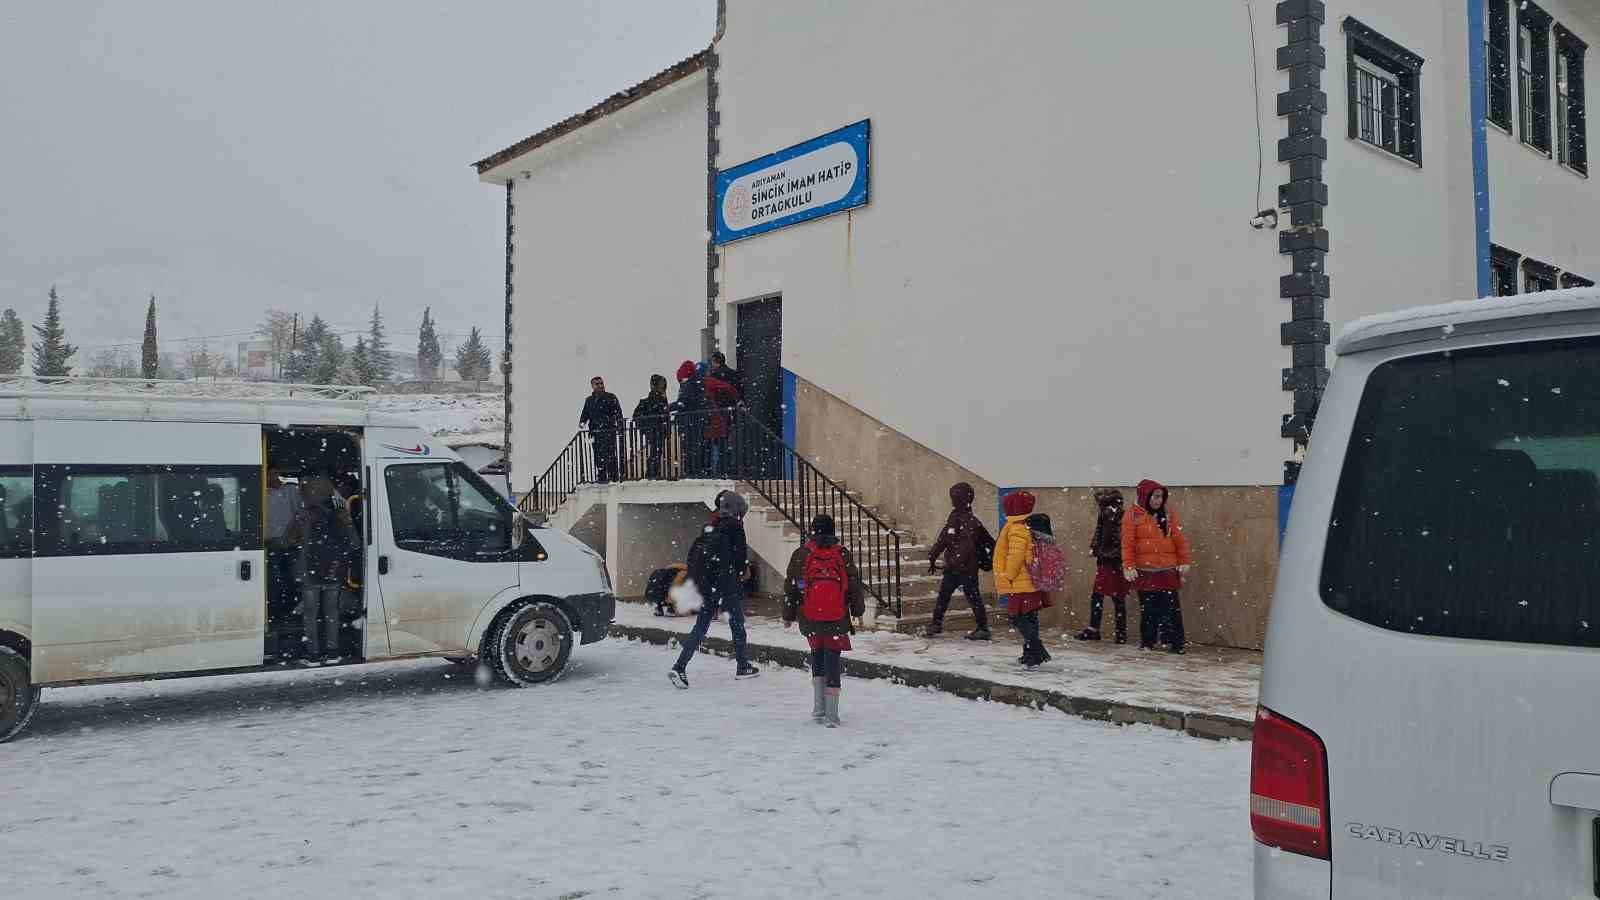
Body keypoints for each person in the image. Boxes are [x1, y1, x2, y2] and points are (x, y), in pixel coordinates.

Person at [669, 490, 760, 687]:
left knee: (700, 627)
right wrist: (743, 571)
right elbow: (739, 560)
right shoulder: (735, 527)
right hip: (727, 586)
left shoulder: (710, 526)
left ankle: (680, 666)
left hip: (709, 585)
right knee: (737, 624)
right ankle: (743, 665)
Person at [783, 514, 866, 727]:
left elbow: (791, 587)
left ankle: (818, 706)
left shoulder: (802, 554)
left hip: (809, 615)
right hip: (837, 616)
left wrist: (788, 614)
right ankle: (832, 713)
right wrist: (858, 610)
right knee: (833, 658)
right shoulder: (842, 554)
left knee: (817, 655)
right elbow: (854, 584)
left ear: (812, 530)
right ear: (833, 531)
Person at [284, 477, 358, 665]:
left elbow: (288, 540)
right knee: (331, 611)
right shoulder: (341, 512)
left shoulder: (304, 514)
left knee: (310, 613)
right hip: (334, 569)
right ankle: (333, 652)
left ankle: (313, 654)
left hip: (310, 570)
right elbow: (354, 543)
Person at [1121, 479, 1194, 654]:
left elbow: (1179, 538)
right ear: (1145, 496)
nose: (1158, 500)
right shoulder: (1132, 515)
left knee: (1171, 608)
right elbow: (1127, 543)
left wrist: (1184, 560)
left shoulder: (1168, 513)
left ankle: (1176, 642)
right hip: (1146, 571)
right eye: (1155, 497)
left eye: (1161, 497)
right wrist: (1128, 566)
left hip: (1167, 570)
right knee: (1148, 609)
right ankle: (1148, 641)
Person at [924, 482, 994, 640]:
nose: (952, 501)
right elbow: (944, 539)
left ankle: (982, 628)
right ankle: (936, 623)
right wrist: (933, 556)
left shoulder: (971, 521)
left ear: (961, 499)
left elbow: (975, 545)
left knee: (971, 597)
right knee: (945, 596)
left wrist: (955, 561)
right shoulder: (955, 517)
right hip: (956, 567)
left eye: (954, 498)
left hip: (966, 568)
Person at [993, 491, 1053, 668]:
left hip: (1020, 582)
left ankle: (1036, 649)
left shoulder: (1017, 527)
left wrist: (1008, 575)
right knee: (1030, 617)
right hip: (1032, 581)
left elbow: (1016, 555)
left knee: (1017, 617)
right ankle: (1029, 653)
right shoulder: (1027, 525)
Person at [1078, 489, 1131, 643]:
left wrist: (1096, 549)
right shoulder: (1121, 513)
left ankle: (1094, 629)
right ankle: (1121, 634)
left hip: (1108, 562)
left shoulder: (1108, 513)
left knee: (1098, 595)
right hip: (1118, 562)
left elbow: (1103, 534)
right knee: (1118, 598)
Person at [264, 466, 302, 630]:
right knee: (273, 580)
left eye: (275, 473)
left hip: (289, 543)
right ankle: (275, 613)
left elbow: (299, 515)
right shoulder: (261, 492)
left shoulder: (290, 491)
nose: (273, 477)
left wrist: (292, 538)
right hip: (269, 543)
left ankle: (289, 612)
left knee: (291, 579)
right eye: (269, 474)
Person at [579, 376, 624, 483]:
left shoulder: (610, 397)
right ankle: (602, 476)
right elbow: (585, 414)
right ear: (592, 386)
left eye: (601, 383)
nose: (600, 385)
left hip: (609, 431)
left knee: (610, 455)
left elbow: (618, 413)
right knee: (598, 456)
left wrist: (619, 425)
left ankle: (613, 477)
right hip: (595, 433)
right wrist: (582, 423)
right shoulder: (589, 400)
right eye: (597, 384)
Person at [672, 361, 710, 477]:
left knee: (691, 450)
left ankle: (692, 472)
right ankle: (697, 471)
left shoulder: (689, 385)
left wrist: (668, 408)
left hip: (691, 424)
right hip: (695, 423)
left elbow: (683, 402)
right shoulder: (698, 384)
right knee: (696, 449)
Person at [702, 363, 741, 477]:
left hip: (705, 421)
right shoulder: (710, 381)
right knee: (721, 446)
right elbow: (728, 387)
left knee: (708, 449)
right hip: (715, 419)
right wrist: (737, 398)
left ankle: (710, 472)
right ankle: (722, 471)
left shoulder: (698, 384)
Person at [633, 374, 671, 480]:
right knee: (656, 451)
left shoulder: (656, 399)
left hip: (655, 429)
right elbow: (663, 414)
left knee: (656, 451)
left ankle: (653, 472)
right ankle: (652, 472)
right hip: (655, 429)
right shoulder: (656, 399)